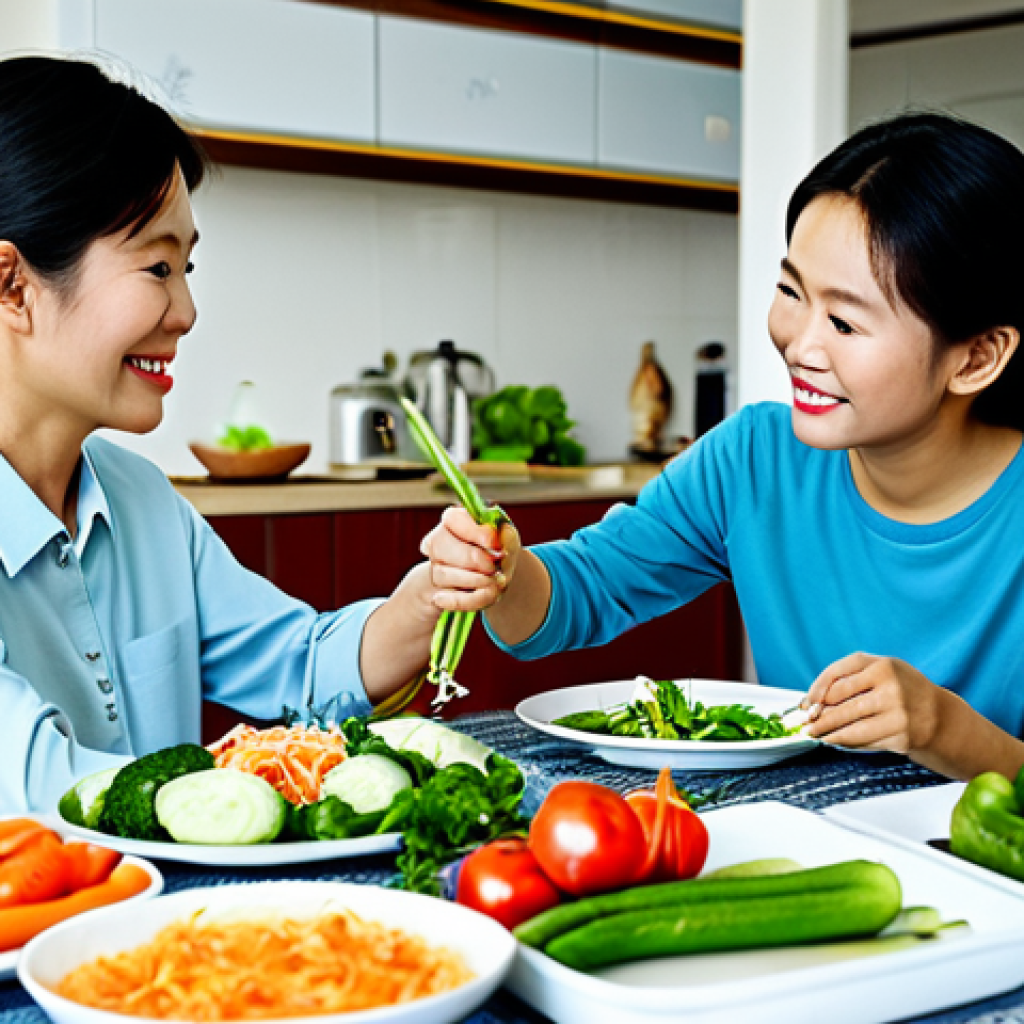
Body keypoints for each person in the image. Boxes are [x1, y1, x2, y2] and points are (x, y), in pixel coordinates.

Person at [426, 111, 1024, 783]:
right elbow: (576, 595)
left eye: (844, 322)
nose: (800, 345)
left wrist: (944, 728)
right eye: (791, 292)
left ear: (977, 357)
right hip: (802, 829)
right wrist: (500, 569)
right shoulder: (753, 461)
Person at [0, 56, 447, 812]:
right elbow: (43, 789)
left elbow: (300, 668)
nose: (186, 312)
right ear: (13, 285)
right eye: (158, 267)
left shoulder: (141, 500)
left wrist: (430, 598)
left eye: (187, 267)